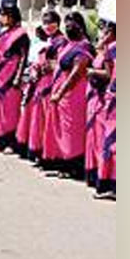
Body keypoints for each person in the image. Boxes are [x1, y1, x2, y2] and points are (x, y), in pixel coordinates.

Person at [42, 12, 94, 179]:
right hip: (61, 92)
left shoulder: (84, 47)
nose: (69, 26)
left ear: (80, 26)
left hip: (73, 93)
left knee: (72, 130)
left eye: (72, 23)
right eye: (67, 23)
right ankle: (61, 161)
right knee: (60, 128)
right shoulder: (68, 44)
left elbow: (76, 73)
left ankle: (73, 165)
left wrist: (60, 92)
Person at [27, 10, 66, 163]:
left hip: (52, 83)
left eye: (51, 22)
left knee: (50, 120)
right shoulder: (46, 41)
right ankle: (40, 151)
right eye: (45, 23)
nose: (48, 26)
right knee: (40, 119)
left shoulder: (62, 41)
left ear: (58, 23)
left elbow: (61, 63)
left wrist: (50, 66)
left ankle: (50, 155)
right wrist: (35, 68)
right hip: (41, 83)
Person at [0, 5, 30, 152]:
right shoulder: (2, 34)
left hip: (11, 76)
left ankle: (11, 143)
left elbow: (23, 57)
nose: (2, 18)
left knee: (10, 111)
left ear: (12, 17)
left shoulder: (21, 35)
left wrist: (18, 77)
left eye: (4, 15)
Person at [85, 20, 116, 188]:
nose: (103, 33)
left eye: (105, 30)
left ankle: (108, 181)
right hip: (99, 98)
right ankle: (97, 173)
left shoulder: (112, 49)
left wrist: (92, 72)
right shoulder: (105, 49)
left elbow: (110, 75)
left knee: (109, 141)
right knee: (99, 138)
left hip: (108, 99)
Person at [15, 25, 48, 158]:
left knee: (36, 116)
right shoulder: (39, 46)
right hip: (34, 80)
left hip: (41, 82)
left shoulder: (47, 46)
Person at [94, 25, 117, 199]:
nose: (104, 34)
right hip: (113, 99)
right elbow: (109, 75)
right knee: (109, 141)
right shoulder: (110, 49)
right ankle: (109, 184)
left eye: (108, 31)